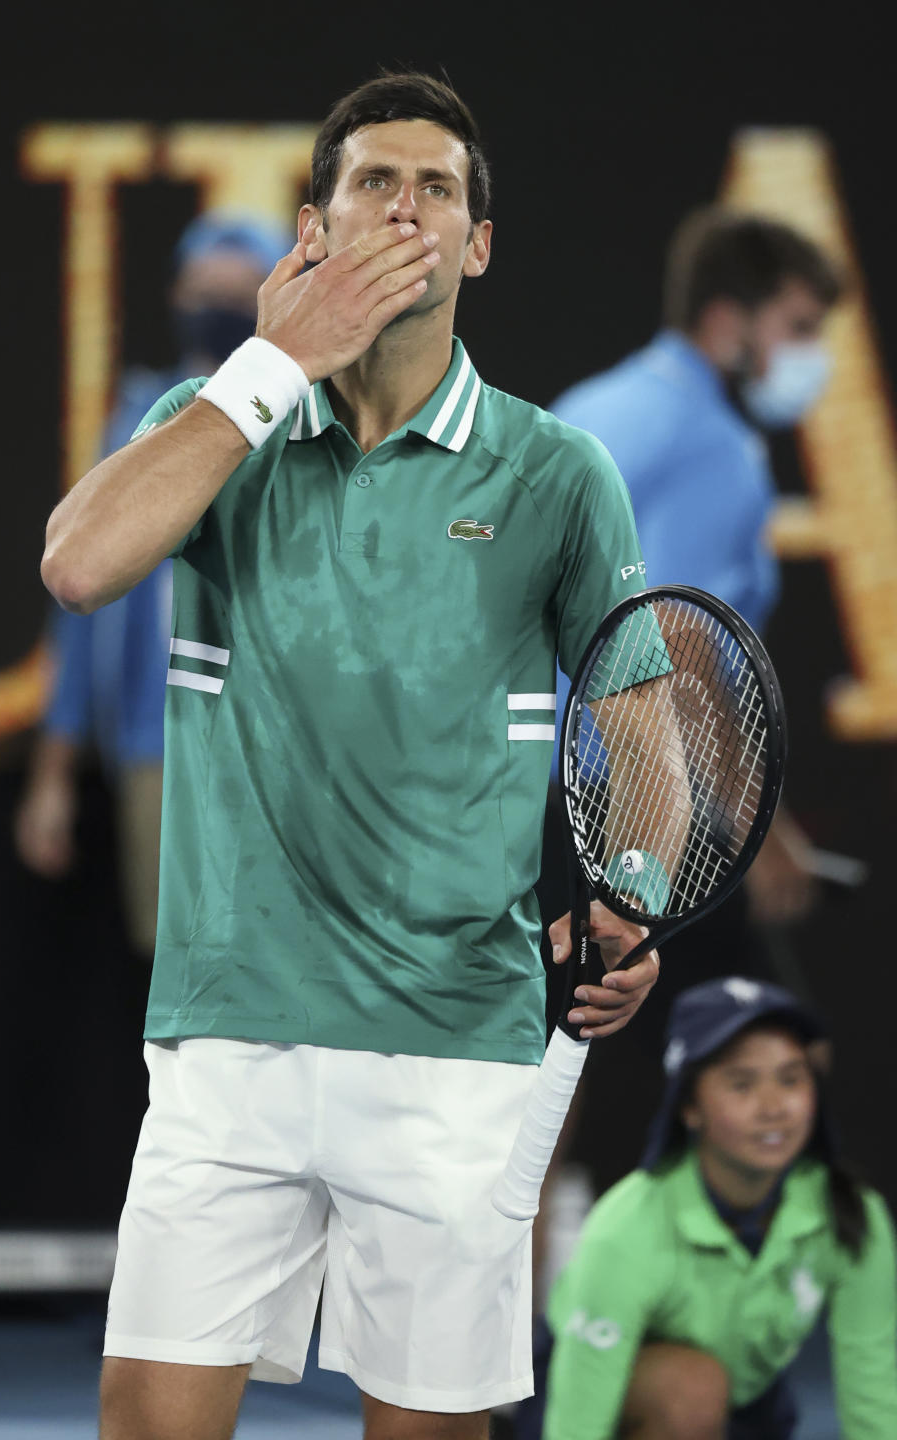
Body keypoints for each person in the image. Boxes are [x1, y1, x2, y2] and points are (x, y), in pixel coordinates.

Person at [41, 72, 661, 1440]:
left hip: (452, 1053)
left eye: (437, 189)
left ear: (477, 244)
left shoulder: (557, 475)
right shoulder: (216, 433)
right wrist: (271, 368)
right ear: (313, 229)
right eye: (373, 183)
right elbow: (80, 565)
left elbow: (635, 731)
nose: (406, 209)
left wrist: (630, 886)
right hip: (228, 1035)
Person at [537, 209, 845, 1198]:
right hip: (621, 799)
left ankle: (520, 1342)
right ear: (729, 320)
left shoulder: (601, 400)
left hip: (524, 785)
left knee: (550, 1076)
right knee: (770, 1054)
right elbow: (678, 641)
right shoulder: (718, 444)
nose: (811, 358)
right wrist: (755, 824)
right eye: (798, 328)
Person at [15, 212, 287, 955]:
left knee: (277, 971)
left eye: (238, 292)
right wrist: (53, 776)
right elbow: (80, 608)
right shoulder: (140, 418)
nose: (218, 306)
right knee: (174, 974)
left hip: (281, 746)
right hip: (154, 746)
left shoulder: (314, 417)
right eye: (204, 291)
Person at [542, 977, 897, 1438]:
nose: (773, 1108)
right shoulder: (628, 1225)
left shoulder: (854, 1213)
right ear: (689, 1106)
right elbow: (576, 1420)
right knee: (694, 1389)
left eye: (790, 1079)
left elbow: (873, 1396)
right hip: (582, 1398)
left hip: (748, 1409)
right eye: (741, 1083)